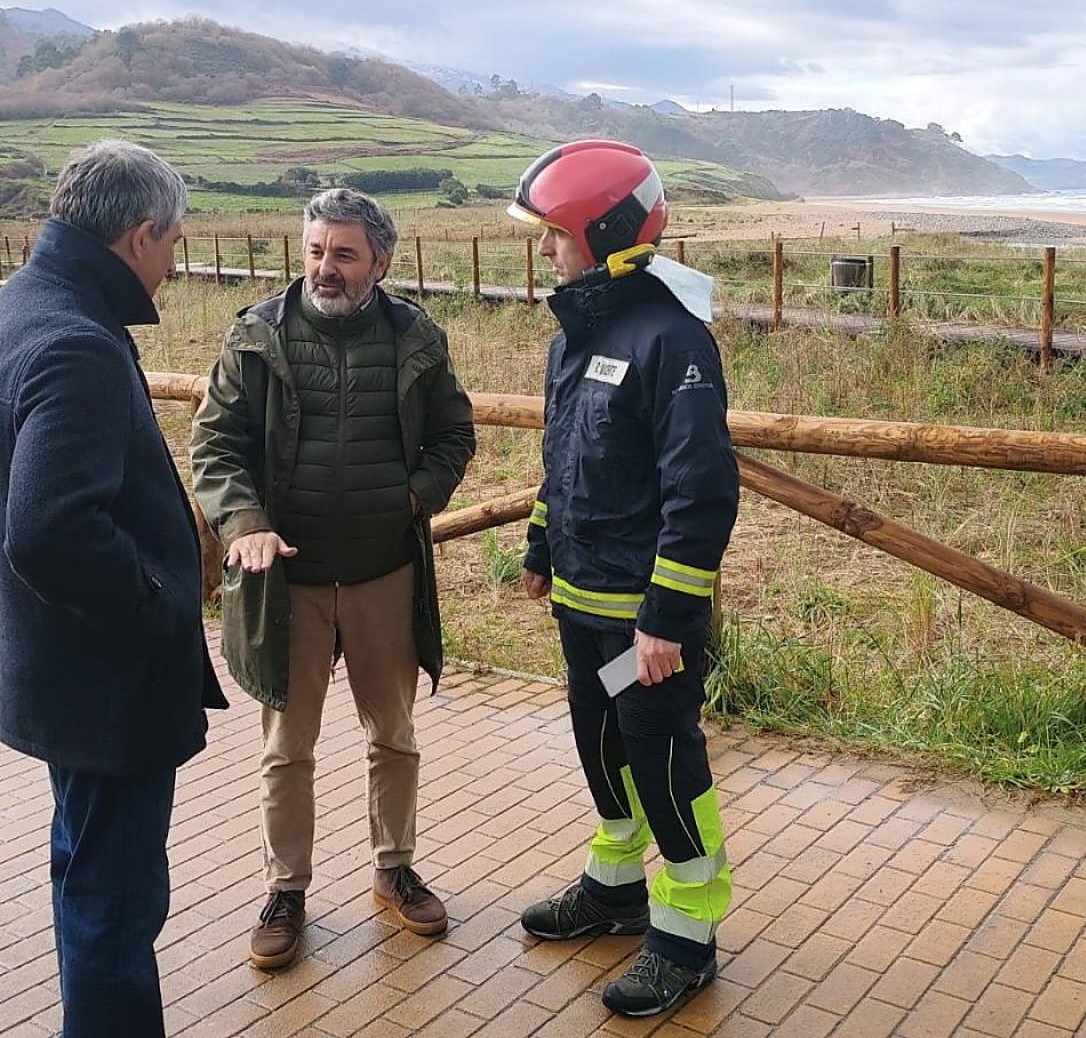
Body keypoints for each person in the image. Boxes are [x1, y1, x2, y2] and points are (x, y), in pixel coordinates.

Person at [190, 187, 475, 970]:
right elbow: (214, 447)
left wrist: (418, 496)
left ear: (380, 261)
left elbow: (454, 432)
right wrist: (243, 524)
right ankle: (286, 890)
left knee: (394, 735)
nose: (326, 267)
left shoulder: (416, 336)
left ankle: (394, 870)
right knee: (288, 746)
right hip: (289, 584)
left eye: (345, 254)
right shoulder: (255, 336)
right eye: (316, 250)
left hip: (384, 573)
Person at [0, 140, 228, 1037]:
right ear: (138, 236)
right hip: (107, 683)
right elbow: (51, 530)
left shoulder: (20, 306)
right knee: (115, 909)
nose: (175, 261)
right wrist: (158, 605)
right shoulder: (78, 342)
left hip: (58, 669)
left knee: (83, 871)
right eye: (172, 241)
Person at [509, 141, 739, 1018]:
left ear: (604, 232)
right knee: (600, 743)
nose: (545, 252)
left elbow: (701, 491)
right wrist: (539, 549)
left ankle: (687, 932)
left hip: (646, 625)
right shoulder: (580, 334)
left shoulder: (672, 339)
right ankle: (615, 889)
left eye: (555, 235)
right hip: (583, 605)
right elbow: (561, 457)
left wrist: (668, 620)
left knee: (664, 759)